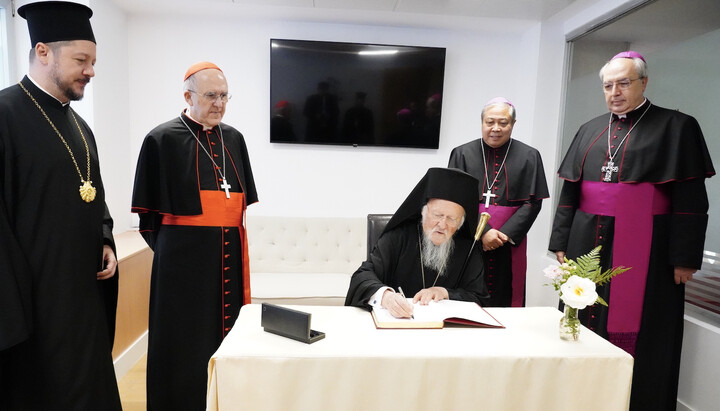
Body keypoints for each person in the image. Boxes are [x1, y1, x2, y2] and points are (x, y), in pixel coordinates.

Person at [549, 51, 715, 410]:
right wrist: (560, 242)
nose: (615, 92)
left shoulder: (677, 126)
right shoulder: (589, 129)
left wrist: (684, 258)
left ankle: (638, 400)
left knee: (645, 328)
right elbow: (570, 192)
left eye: (624, 83)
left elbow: (690, 200)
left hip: (648, 249)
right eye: (608, 85)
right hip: (586, 241)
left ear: (644, 82)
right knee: (582, 313)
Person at [0, 1, 121, 409]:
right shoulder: (4, 115)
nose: (90, 70)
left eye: (93, 61)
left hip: (84, 299)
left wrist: (105, 238)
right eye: (81, 60)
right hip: (32, 308)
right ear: (43, 52)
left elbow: (94, 196)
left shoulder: (80, 126)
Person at [131, 62, 258, 410]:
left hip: (228, 258)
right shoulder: (161, 139)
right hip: (182, 265)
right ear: (188, 96)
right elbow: (148, 220)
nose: (219, 103)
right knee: (182, 343)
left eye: (224, 96)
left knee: (227, 337)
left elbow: (237, 203)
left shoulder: (234, 138)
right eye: (210, 95)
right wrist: (179, 252)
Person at [345, 167, 489, 318]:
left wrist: (445, 293)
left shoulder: (468, 247)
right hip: (395, 325)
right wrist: (385, 296)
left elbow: (479, 297)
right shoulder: (399, 236)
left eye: (452, 219)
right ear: (423, 212)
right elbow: (362, 276)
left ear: (460, 222)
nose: (442, 225)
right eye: (437, 215)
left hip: (446, 332)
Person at [449, 97, 549, 307]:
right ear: (482, 122)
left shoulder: (530, 156)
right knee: (464, 294)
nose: (495, 128)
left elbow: (533, 202)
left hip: (508, 242)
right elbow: (454, 199)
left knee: (506, 295)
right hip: (469, 238)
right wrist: (484, 232)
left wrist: (503, 235)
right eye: (489, 122)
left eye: (503, 123)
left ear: (513, 124)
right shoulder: (462, 154)